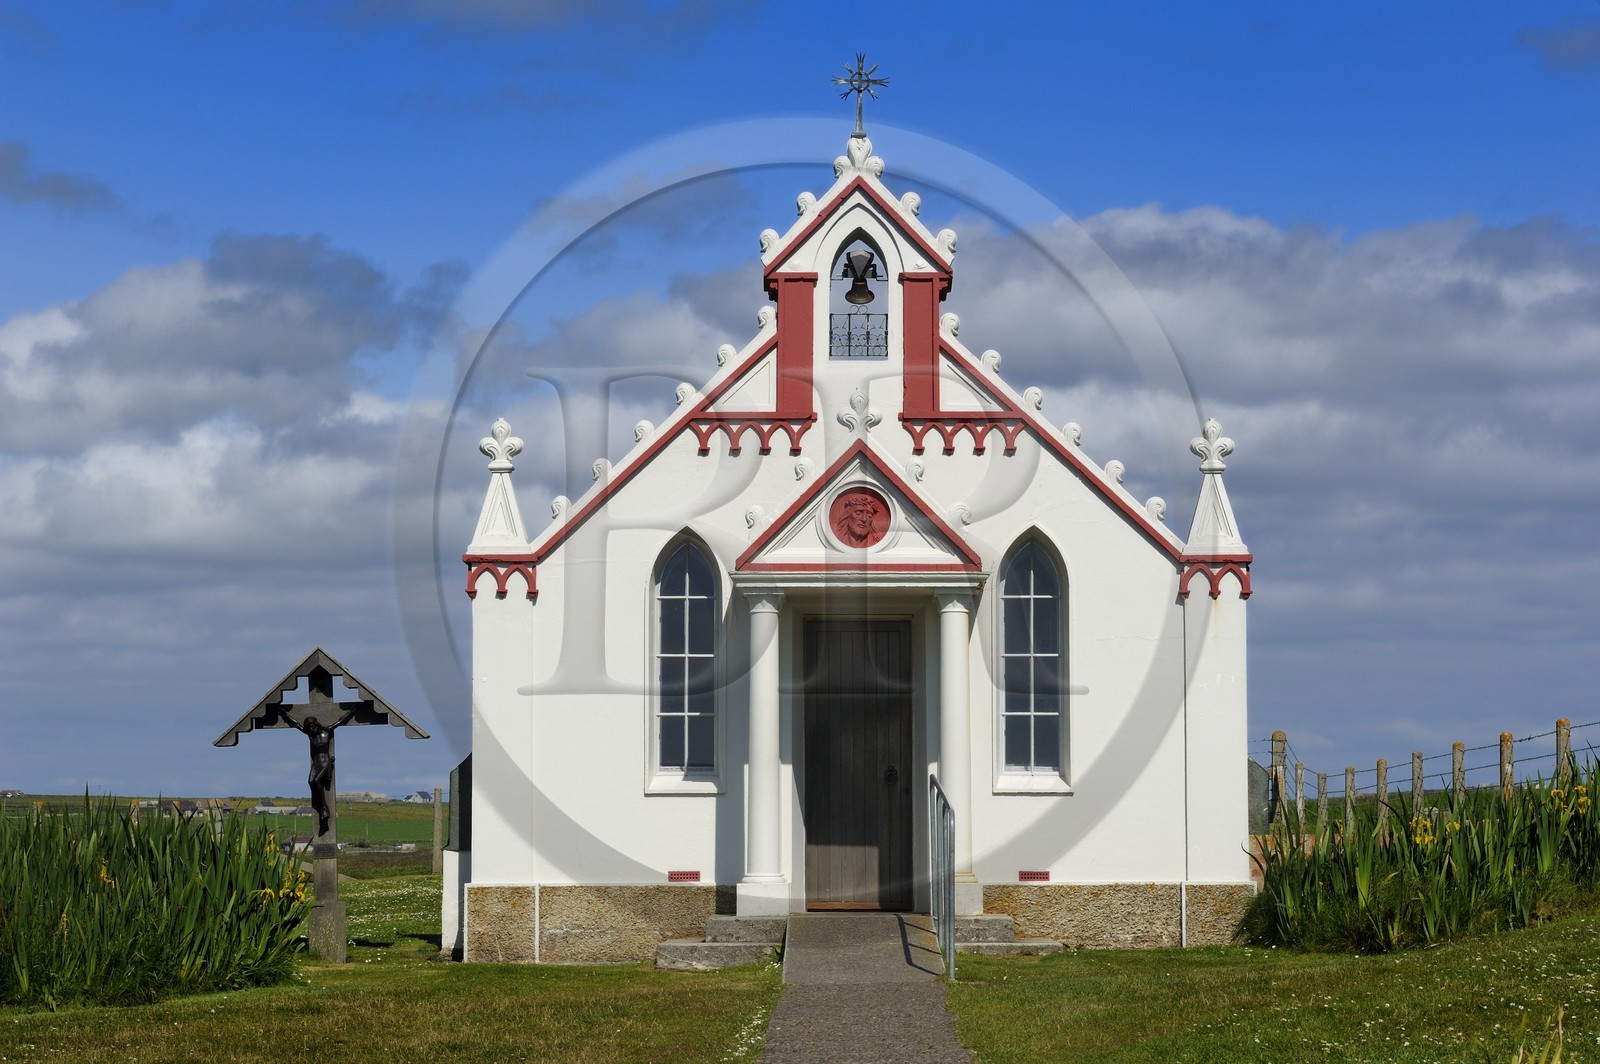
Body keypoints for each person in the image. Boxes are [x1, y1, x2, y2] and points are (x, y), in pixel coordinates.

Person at [287, 709, 355, 836]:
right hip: (316, 763)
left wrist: (352, 712)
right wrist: (285, 715)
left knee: (317, 781)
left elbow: (340, 721)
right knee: (310, 782)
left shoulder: (326, 731)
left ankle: (324, 809)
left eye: (311, 727)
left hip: (325, 762)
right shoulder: (310, 735)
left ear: (316, 725)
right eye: (308, 728)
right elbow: (296, 725)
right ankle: (322, 808)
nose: (310, 729)